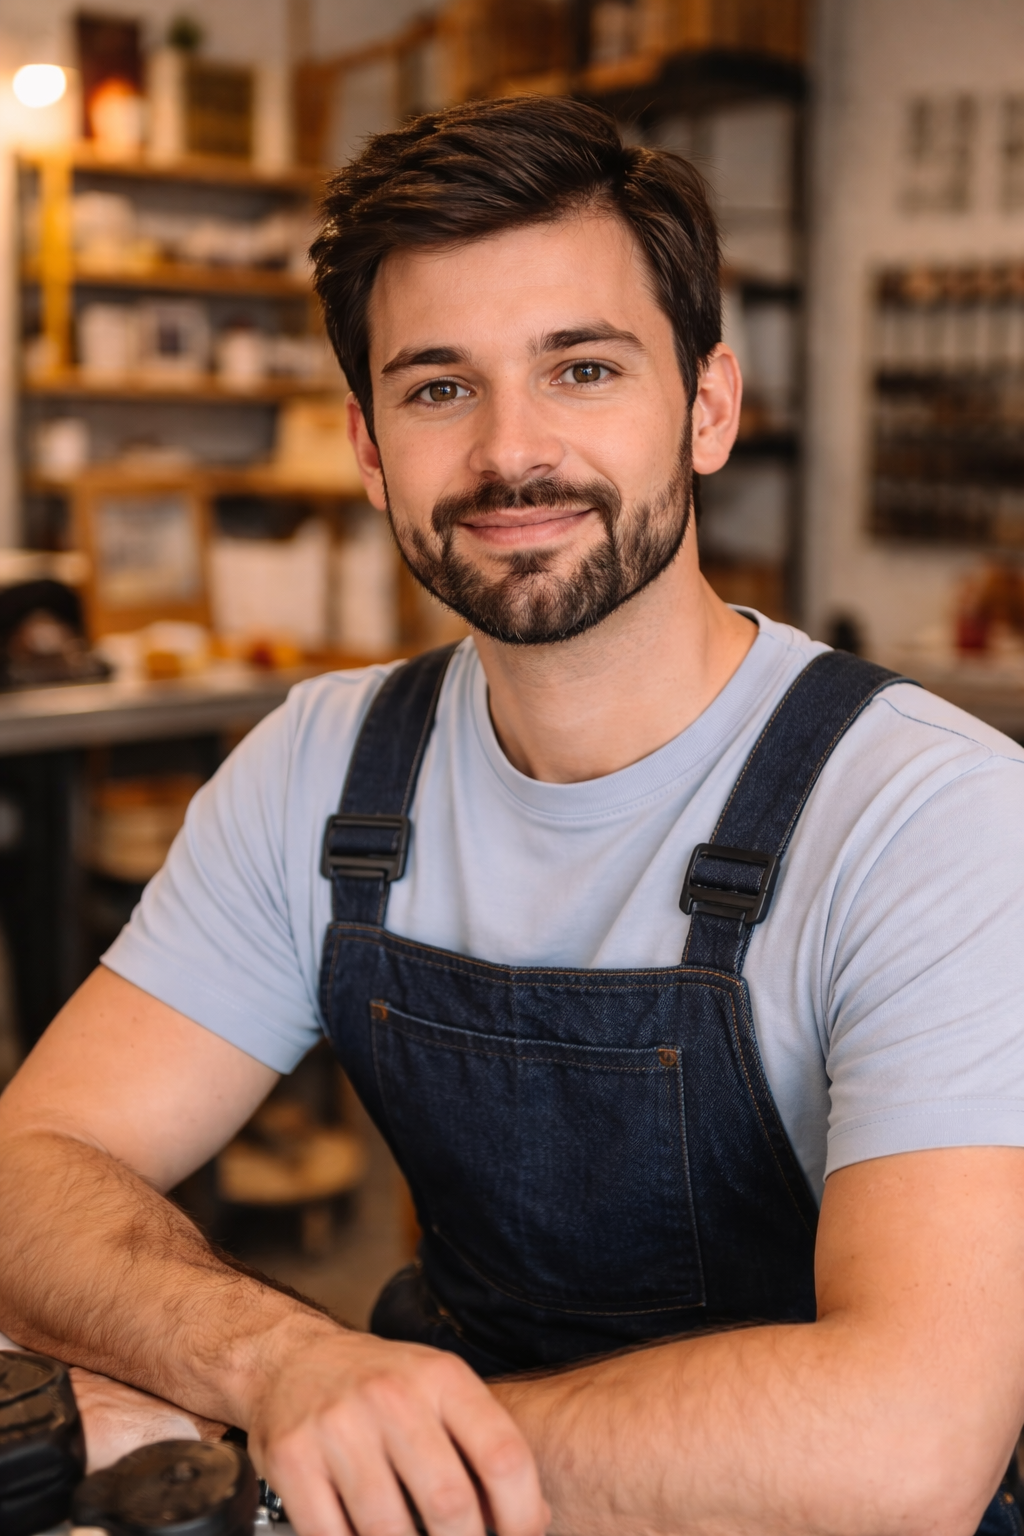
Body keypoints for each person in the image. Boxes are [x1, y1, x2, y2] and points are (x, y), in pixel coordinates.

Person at [2, 94, 1024, 1536]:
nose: (508, 453)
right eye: (437, 388)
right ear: (368, 449)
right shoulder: (322, 768)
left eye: (584, 367)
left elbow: (908, 1441)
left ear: (709, 407)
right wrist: (287, 1369)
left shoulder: (929, 815)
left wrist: (338, 1456)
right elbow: (28, 1169)